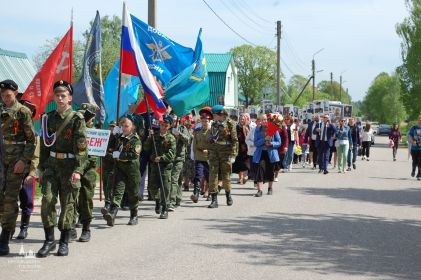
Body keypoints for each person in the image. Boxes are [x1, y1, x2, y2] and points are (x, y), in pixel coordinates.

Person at [37, 80, 87, 258]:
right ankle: (49, 240)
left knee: (68, 205)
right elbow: (44, 146)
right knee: (47, 201)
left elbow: (81, 147)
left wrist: (78, 170)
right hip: (51, 165)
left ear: (69, 98)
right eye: (57, 95)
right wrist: (40, 168)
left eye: (63, 95)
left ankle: (64, 242)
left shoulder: (76, 119)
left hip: (69, 166)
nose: (60, 98)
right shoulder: (48, 118)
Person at [0, 80, 36, 256]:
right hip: (1, 159)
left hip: (16, 162)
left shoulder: (23, 112)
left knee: (10, 198)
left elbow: (31, 141)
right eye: (2, 95)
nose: (5, 99)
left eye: (8, 95)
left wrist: (24, 161)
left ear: (15, 93)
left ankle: (5, 236)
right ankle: (8, 226)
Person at [103, 115, 141, 226]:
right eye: (122, 126)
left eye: (126, 126)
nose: (124, 128)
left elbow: (134, 154)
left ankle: (134, 215)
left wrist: (120, 155)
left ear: (133, 127)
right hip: (120, 170)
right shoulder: (119, 138)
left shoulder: (135, 140)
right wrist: (113, 136)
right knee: (118, 191)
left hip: (132, 171)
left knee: (133, 194)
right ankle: (112, 214)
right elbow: (109, 147)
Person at [73, 103, 99, 242]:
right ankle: (70, 226)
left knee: (85, 199)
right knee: (70, 198)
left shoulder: (94, 133)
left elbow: (92, 159)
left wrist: (80, 168)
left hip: (87, 171)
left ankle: (86, 228)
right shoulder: (74, 130)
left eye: (85, 116)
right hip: (72, 168)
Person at [144, 115, 176, 219]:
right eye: (162, 124)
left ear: (169, 126)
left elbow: (172, 154)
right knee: (152, 187)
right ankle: (157, 201)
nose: (163, 127)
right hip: (154, 165)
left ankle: (164, 209)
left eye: (166, 125)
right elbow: (146, 148)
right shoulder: (154, 136)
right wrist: (149, 137)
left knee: (165, 188)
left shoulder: (171, 138)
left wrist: (161, 158)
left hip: (165, 166)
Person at [15, 99, 38, 240]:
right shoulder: (11, 132)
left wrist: (32, 173)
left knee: (27, 200)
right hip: (10, 170)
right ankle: (8, 228)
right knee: (9, 201)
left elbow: (36, 157)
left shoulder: (34, 136)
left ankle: (24, 228)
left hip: (27, 172)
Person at [207, 105, 238, 208]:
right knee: (213, 175)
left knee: (226, 176)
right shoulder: (213, 124)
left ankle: (228, 195)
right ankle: (214, 200)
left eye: (214, 115)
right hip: (214, 152)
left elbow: (234, 141)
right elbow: (211, 140)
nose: (213, 117)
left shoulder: (230, 124)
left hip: (226, 152)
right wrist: (209, 154)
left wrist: (233, 155)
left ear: (219, 114)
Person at [253, 114, 281, 197]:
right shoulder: (257, 130)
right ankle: (259, 190)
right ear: (260, 121)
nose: (264, 121)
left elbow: (279, 142)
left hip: (271, 153)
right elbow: (256, 143)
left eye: (266, 119)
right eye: (262, 120)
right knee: (260, 170)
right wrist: (264, 139)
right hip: (261, 153)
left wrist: (271, 143)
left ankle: (270, 188)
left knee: (270, 171)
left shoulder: (274, 129)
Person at [169, 115, 190, 211]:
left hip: (179, 158)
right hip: (168, 158)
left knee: (175, 178)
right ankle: (177, 198)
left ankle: (171, 202)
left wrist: (179, 134)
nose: (174, 120)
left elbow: (188, 140)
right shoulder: (166, 128)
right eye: (172, 118)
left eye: (175, 118)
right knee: (175, 180)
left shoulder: (182, 128)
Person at [191, 108, 212, 202]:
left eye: (206, 121)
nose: (204, 123)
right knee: (198, 175)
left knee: (209, 176)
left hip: (209, 158)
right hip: (199, 157)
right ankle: (196, 194)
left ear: (209, 121)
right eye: (203, 121)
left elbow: (215, 145)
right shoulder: (197, 131)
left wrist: (209, 151)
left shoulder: (212, 132)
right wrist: (194, 156)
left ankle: (211, 193)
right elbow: (194, 144)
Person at [232, 113, 250, 184]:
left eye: (243, 119)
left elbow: (249, 137)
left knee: (246, 164)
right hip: (238, 147)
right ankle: (240, 179)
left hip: (246, 148)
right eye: (241, 119)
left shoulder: (247, 127)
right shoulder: (236, 127)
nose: (242, 120)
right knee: (239, 163)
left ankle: (245, 177)